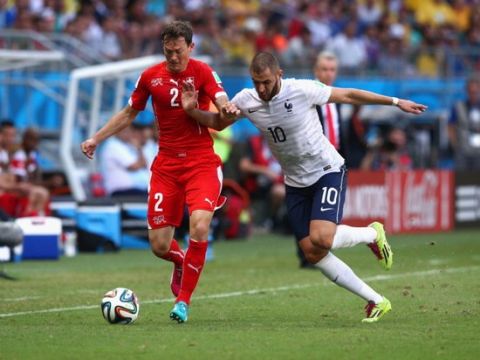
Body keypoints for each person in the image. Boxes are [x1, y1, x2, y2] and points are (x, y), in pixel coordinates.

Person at [181, 52, 427, 323]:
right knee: (313, 252)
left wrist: (395, 101)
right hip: (295, 182)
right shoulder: (245, 99)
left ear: (279, 75)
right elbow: (218, 123)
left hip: (327, 171)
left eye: (265, 82)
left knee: (322, 238)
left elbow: (349, 96)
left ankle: (372, 234)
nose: (261, 88)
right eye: (256, 82)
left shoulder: (302, 90)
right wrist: (192, 111)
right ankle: (377, 300)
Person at [81, 20, 229, 324]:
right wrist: (96, 138)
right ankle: (180, 260)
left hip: (201, 163)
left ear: (191, 47)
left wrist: (226, 107)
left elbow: (221, 100)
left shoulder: (202, 71)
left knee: (200, 226)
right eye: (167, 50)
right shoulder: (150, 76)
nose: (173, 57)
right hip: (166, 166)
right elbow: (129, 112)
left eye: (178, 51)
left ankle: (183, 302)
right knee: (159, 245)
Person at [448, 75, 480, 170]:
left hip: (479, 151)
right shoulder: (458, 106)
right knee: (463, 181)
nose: (473, 94)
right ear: (467, 91)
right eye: (471, 92)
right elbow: (450, 125)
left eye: (475, 92)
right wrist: (455, 144)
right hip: (463, 151)